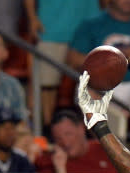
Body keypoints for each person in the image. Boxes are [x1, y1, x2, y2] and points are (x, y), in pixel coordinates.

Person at [23, 0, 101, 128]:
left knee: (96, 83)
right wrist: (32, 18)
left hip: (90, 26)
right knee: (46, 86)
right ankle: (46, 130)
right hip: (52, 28)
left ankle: (90, 133)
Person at [35, 108, 123, 173]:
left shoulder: (106, 150)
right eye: (58, 138)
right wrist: (60, 170)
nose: (65, 143)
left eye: (68, 134)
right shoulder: (48, 161)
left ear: (81, 129)